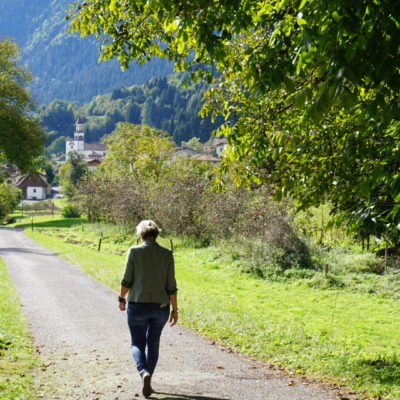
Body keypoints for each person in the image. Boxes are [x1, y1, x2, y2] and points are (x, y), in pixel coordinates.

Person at [118, 220, 178, 398]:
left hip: (137, 305)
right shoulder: (167, 254)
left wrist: (121, 298)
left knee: (137, 343)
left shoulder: (134, 251)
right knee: (153, 342)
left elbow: (126, 279)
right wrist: (175, 309)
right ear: (156, 234)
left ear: (140, 234)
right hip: (161, 307)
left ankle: (144, 372)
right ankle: (149, 378)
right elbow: (171, 285)